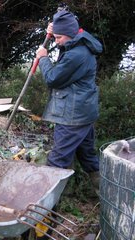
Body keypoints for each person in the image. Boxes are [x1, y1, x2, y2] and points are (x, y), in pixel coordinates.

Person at [35, 10, 103, 192]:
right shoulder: (80, 43)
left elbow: (52, 78)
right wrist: (55, 30)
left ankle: (46, 210)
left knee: (57, 161)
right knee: (87, 156)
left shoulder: (77, 56)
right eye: (54, 37)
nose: (56, 42)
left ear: (70, 34)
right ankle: (106, 194)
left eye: (58, 37)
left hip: (72, 116)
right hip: (84, 112)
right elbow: (67, 43)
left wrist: (43, 58)